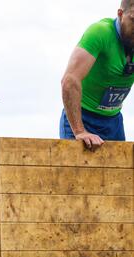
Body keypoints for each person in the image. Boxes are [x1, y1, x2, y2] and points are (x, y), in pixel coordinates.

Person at [60, 0, 134, 150]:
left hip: (113, 122)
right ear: (120, 14)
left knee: (122, 174)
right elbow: (70, 80)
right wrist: (80, 131)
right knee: (77, 173)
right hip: (82, 117)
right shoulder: (100, 33)